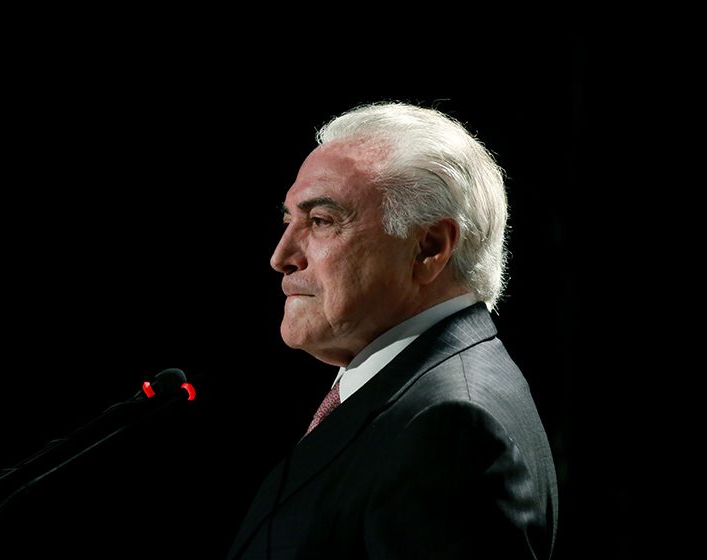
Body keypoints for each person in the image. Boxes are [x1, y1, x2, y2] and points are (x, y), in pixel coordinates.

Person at [226, 102, 559, 559]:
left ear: (429, 248)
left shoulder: (450, 430)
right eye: (289, 221)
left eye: (320, 221)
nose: (281, 257)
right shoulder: (416, 392)